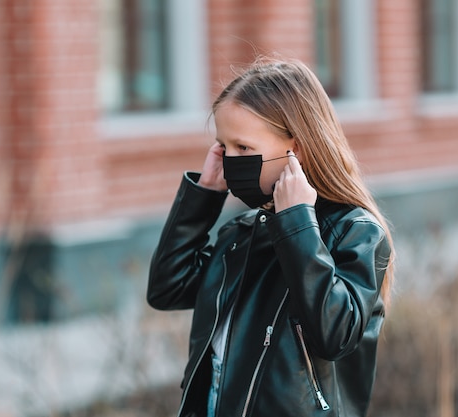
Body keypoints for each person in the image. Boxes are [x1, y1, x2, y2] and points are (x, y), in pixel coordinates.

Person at [147, 57, 395, 417]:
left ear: (298, 148)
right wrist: (203, 197)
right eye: (223, 146)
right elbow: (168, 289)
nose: (231, 160)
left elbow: (334, 335)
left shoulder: (354, 232)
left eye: (243, 148)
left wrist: (297, 224)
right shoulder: (242, 233)